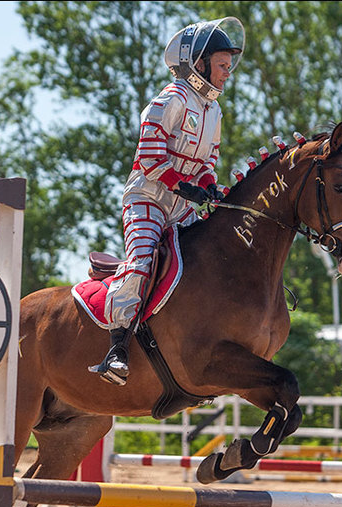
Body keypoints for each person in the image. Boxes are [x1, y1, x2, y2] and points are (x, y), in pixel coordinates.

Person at [89, 17, 245, 386]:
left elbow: (209, 162)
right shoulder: (170, 99)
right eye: (223, 65)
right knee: (142, 259)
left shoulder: (214, 111)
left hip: (183, 206)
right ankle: (117, 347)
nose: (227, 73)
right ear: (200, 63)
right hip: (147, 199)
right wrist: (184, 186)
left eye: (228, 66)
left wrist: (206, 185)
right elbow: (148, 159)